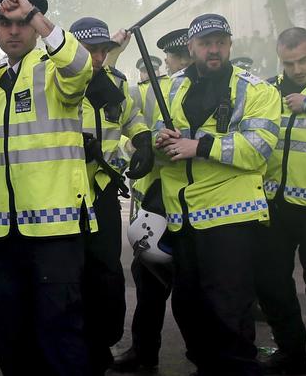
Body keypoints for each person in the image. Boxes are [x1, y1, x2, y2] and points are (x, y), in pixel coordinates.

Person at [0, 0, 95, 375]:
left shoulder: (56, 72)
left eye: (23, 23)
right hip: (5, 229)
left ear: (36, 28)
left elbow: (81, 66)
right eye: (6, 23)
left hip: (55, 229)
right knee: (8, 331)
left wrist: (36, 12)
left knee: (59, 331)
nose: (15, 31)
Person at [154, 13, 280, 376]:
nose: (214, 49)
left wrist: (200, 146)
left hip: (231, 216)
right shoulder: (170, 86)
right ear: (191, 47)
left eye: (221, 42)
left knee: (229, 307)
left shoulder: (257, 90)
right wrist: (159, 142)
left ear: (229, 44)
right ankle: (206, 366)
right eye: (206, 43)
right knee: (189, 305)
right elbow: (152, 132)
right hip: (184, 215)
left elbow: (259, 147)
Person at [69, 16, 151, 375]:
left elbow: (131, 117)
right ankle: (73, 345)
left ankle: (102, 343)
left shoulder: (116, 81)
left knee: (106, 273)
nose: (99, 57)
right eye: (91, 50)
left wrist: (144, 137)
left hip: (101, 190)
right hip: (64, 193)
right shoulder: (55, 81)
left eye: (103, 50)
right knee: (69, 274)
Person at [113, 26, 193, 372]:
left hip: (194, 207)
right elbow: (125, 126)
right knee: (148, 288)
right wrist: (141, 145)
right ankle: (143, 353)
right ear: (169, 61)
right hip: (154, 209)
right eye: (179, 61)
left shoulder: (212, 91)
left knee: (196, 291)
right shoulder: (148, 94)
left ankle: (202, 356)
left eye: (187, 60)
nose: (182, 68)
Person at [255, 26, 306, 374]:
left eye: (304, 60)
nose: (298, 69)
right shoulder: (268, 91)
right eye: (290, 63)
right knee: (271, 283)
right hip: (275, 203)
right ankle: (291, 352)